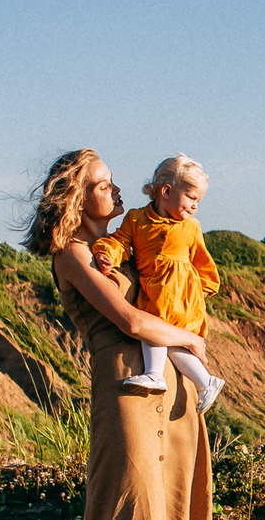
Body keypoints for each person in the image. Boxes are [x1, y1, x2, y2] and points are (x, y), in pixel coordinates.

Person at [26, 147, 214, 520]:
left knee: (164, 507)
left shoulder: (123, 241)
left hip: (167, 384)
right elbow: (130, 320)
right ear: (76, 195)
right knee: (128, 508)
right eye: (103, 184)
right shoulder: (73, 254)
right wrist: (190, 340)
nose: (116, 191)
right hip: (125, 386)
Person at [91, 153, 227, 413]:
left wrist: (200, 291)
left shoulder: (191, 227)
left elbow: (204, 263)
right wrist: (107, 253)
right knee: (169, 340)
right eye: (192, 198)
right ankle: (204, 381)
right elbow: (120, 242)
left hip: (181, 295)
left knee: (154, 328)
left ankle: (156, 374)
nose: (195, 206)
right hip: (155, 290)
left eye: (198, 201)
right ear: (166, 191)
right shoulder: (136, 219)